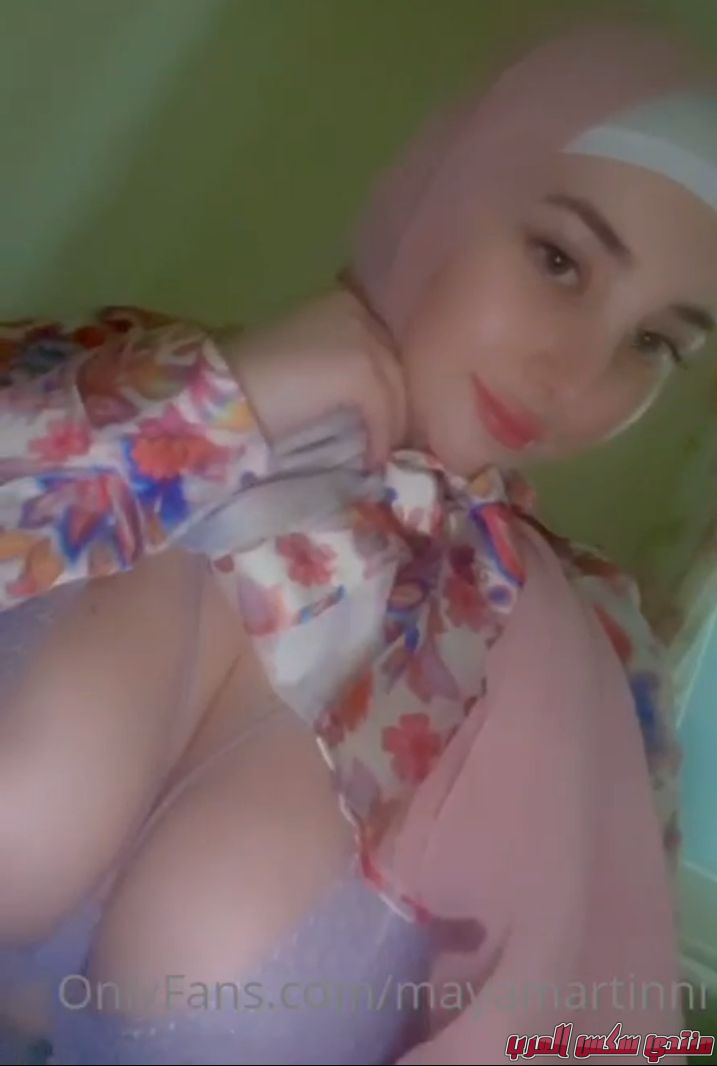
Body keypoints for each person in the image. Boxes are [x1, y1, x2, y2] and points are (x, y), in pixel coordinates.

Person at [0, 15, 715, 1065]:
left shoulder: (602, 672)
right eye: (558, 259)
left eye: (653, 342)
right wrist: (216, 403)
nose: (575, 374)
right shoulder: (114, 384)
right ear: (451, 182)